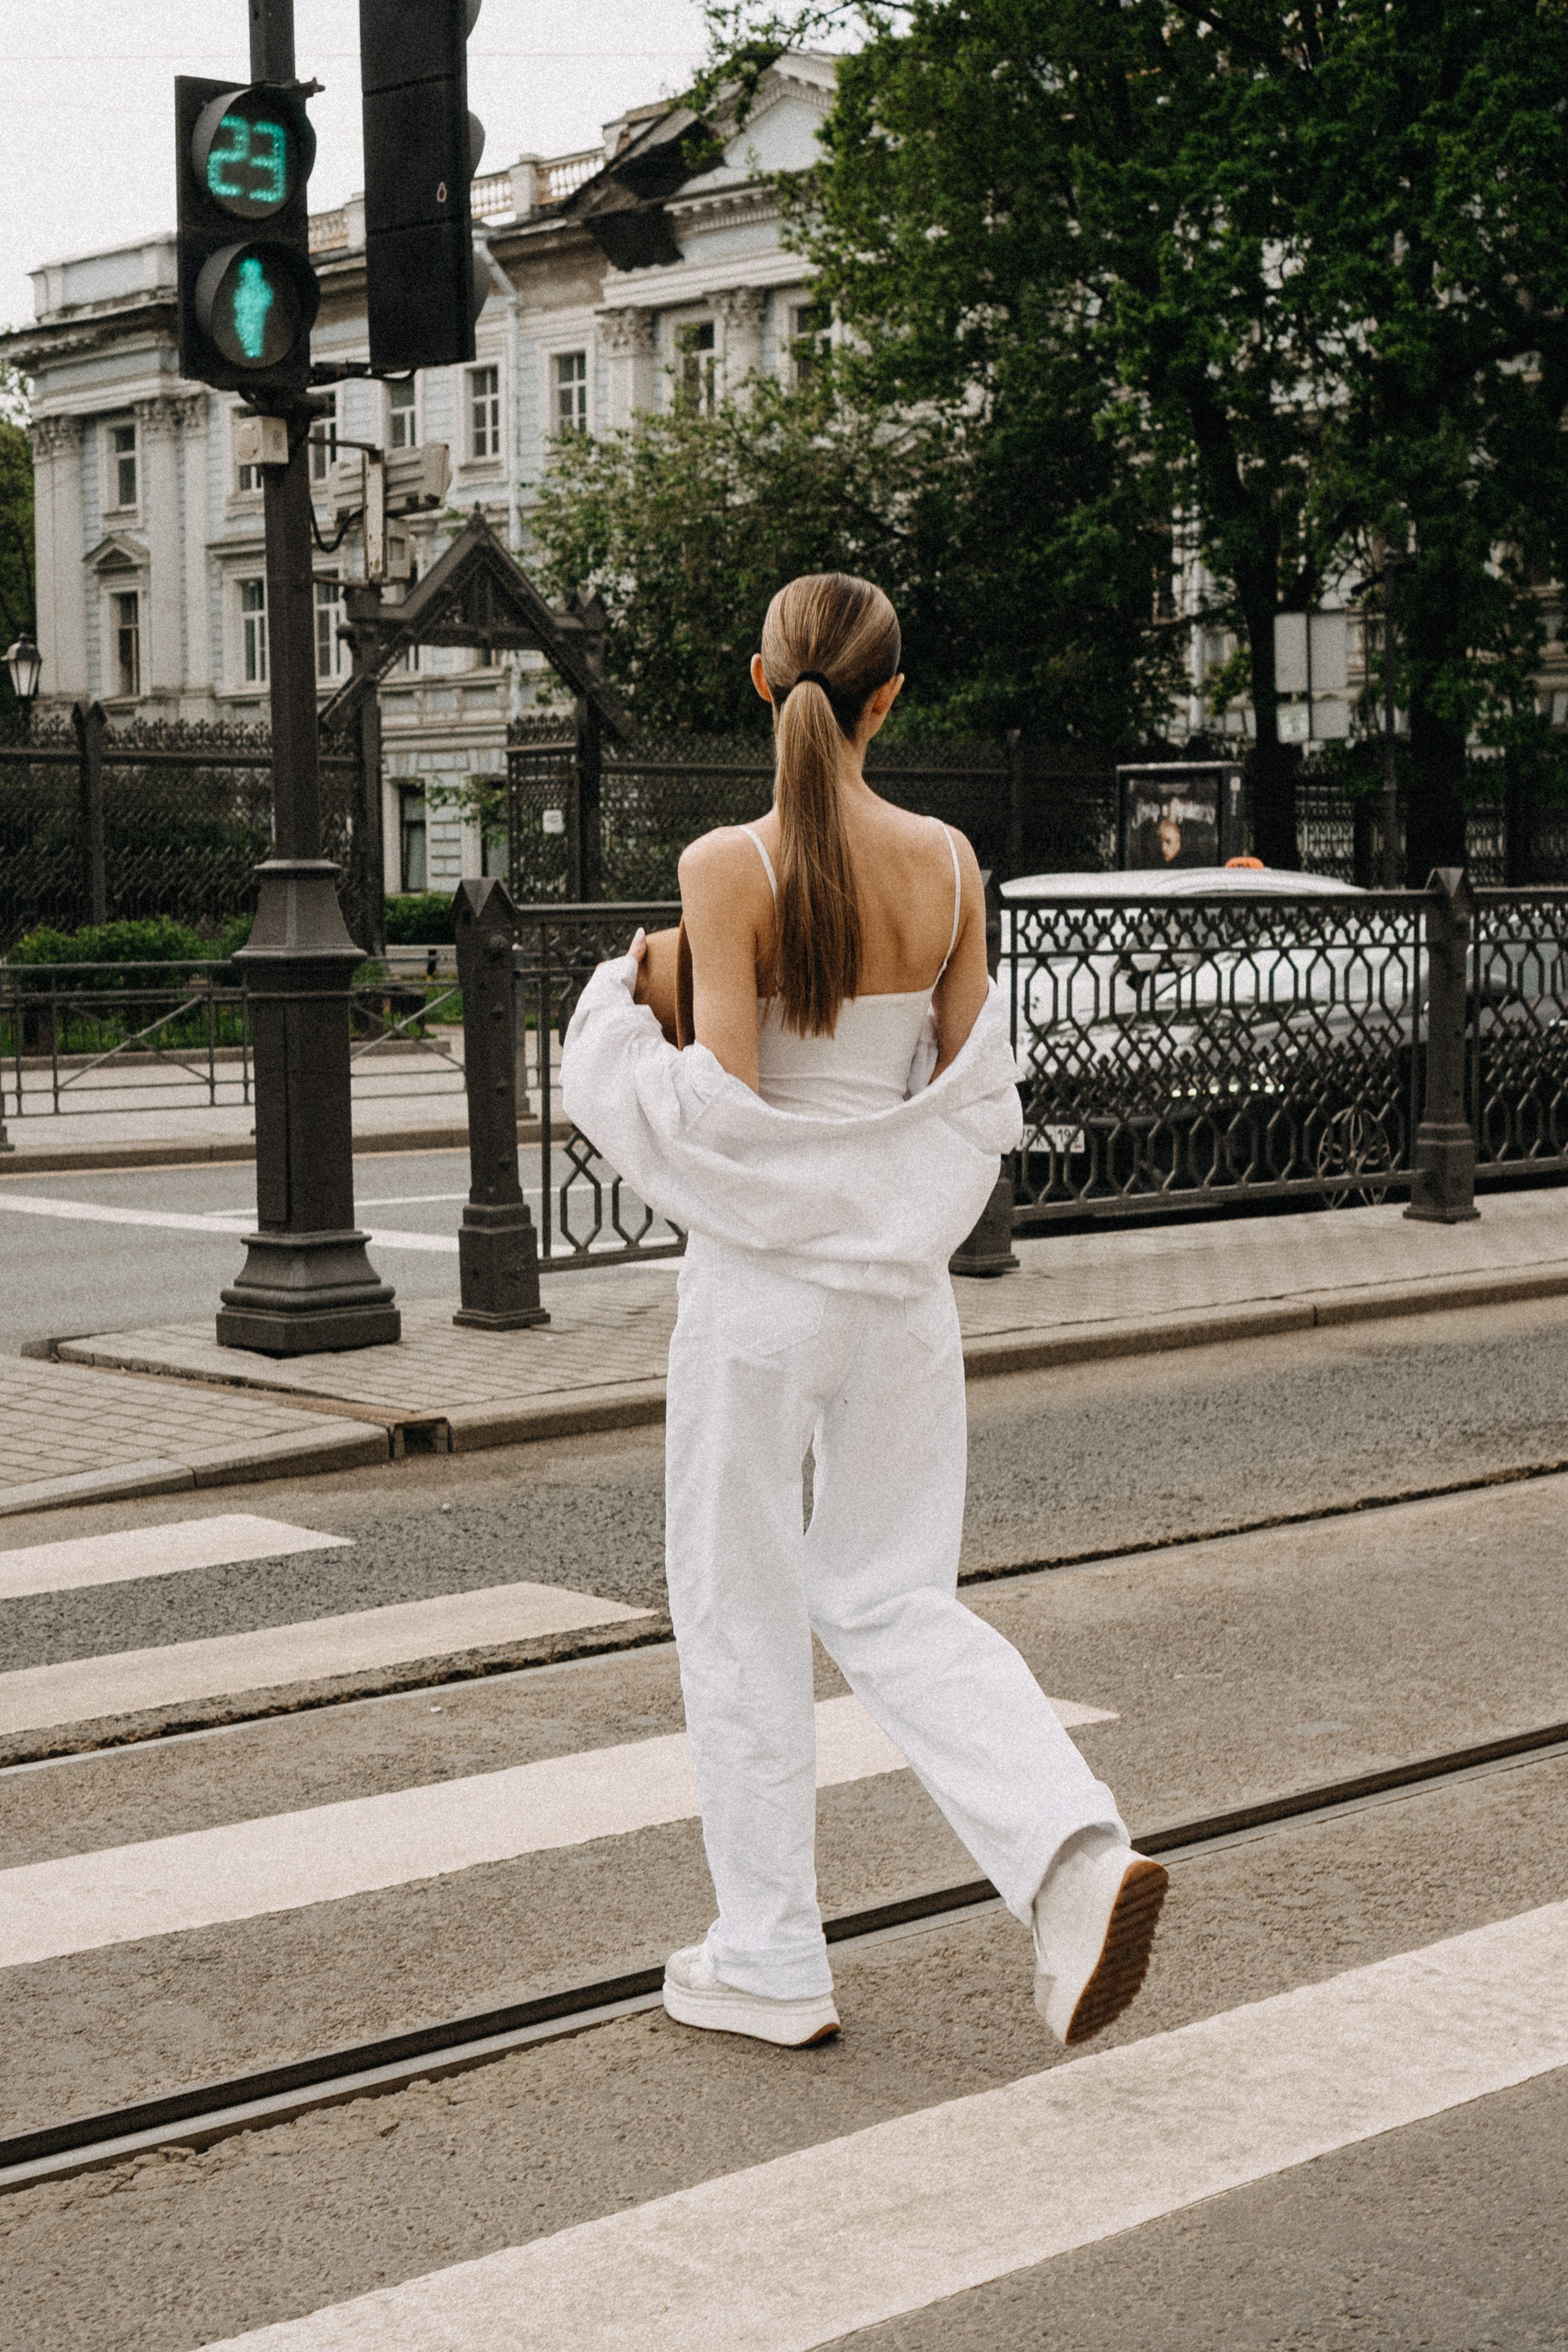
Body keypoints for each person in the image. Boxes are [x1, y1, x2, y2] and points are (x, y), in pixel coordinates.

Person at [561, 572, 1167, 2052]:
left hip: (762, 1296)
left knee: (740, 1612)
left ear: (763, 686)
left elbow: (727, 1120)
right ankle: (1074, 1861)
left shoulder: (724, 866)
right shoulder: (954, 866)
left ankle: (769, 1957)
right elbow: (970, 1097)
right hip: (901, 1300)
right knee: (896, 1598)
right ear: (888, 699)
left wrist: (617, 995)